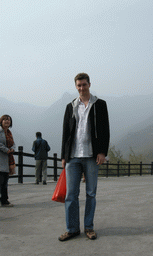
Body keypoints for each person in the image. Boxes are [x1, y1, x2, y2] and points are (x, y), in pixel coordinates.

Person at [59, 73, 110, 241]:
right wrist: (64, 155)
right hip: (73, 156)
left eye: (84, 85)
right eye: (79, 85)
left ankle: (89, 227)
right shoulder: (71, 106)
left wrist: (102, 152)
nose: (81, 88)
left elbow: (105, 130)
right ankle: (72, 228)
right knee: (70, 195)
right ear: (76, 86)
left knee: (91, 193)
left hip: (91, 156)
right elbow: (66, 132)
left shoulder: (100, 105)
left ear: (89, 84)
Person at [0, 115, 16, 207]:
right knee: (2, 181)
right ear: (1, 121)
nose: (7, 121)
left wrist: (13, 149)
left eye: (9, 120)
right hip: (1, 159)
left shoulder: (9, 132)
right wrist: (6, 150)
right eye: (5, 120)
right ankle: (4, 201)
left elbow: (13, 144)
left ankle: (4, 200)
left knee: (5, 181)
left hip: (6, 161)